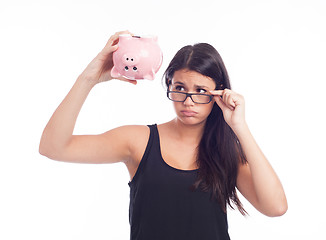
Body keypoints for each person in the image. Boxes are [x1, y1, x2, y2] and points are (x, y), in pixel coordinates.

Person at [39, 31, 287, 240]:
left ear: (219, 94)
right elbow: (53, 147)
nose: (188, 101)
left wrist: (239, 127)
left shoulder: (225, 152)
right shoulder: (138, 141)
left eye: (201, 91)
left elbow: (276, 207)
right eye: (179, 88)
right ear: (168, 85)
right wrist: (89, 78)